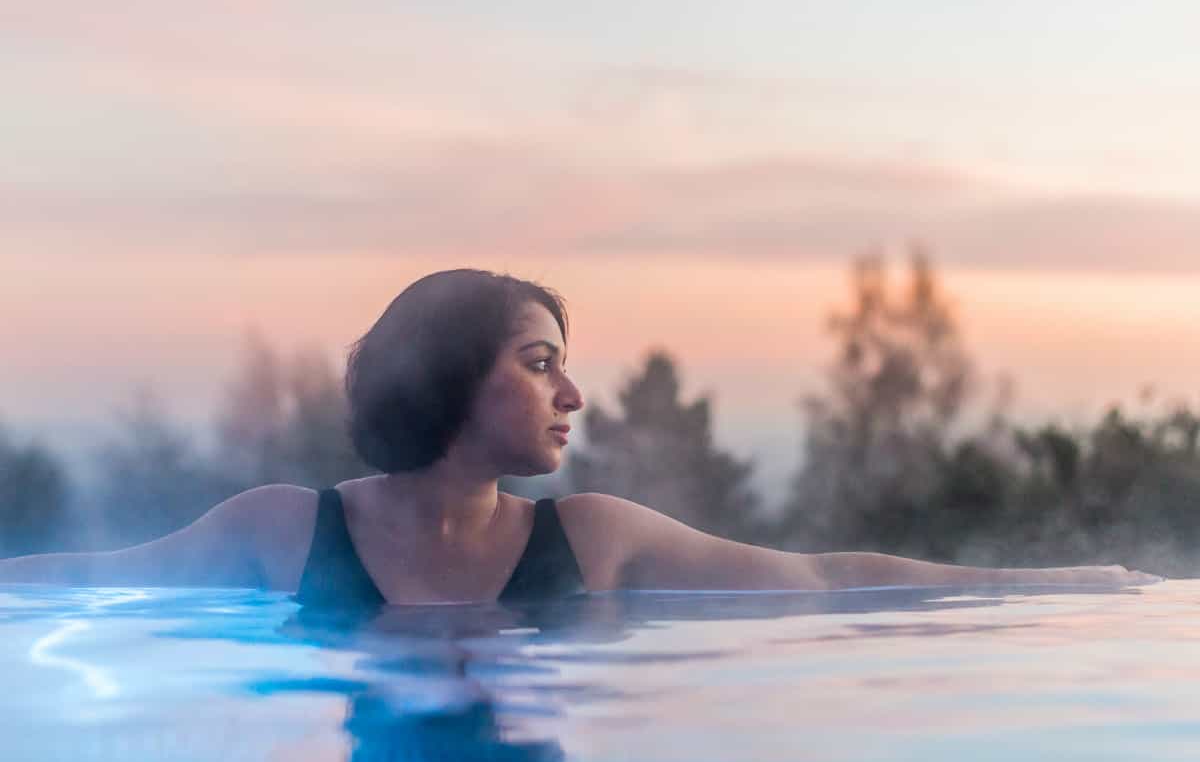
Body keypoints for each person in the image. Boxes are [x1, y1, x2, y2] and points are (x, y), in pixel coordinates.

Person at [0, 268, 1160, 602]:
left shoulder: (595, 541)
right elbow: (85, 581)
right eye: (541, 362)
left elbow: (821, 577)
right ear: (451, 374)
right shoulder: (282, 533)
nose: (576, 395)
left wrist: (1052, 581)